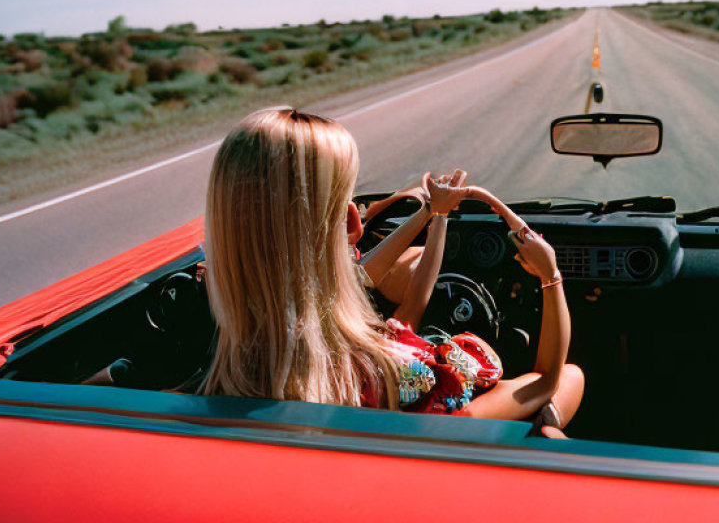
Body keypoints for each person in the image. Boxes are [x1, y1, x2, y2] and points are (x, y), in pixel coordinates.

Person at [199, 107, 583, 435]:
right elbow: (543, 380)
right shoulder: (395, 379)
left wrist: (436, 215)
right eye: (348, 202)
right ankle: (545, 429)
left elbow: (406, 315)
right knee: (571, 376)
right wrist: (551, 276)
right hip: (473, 433)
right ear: (352, 223)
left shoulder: (210, 385)